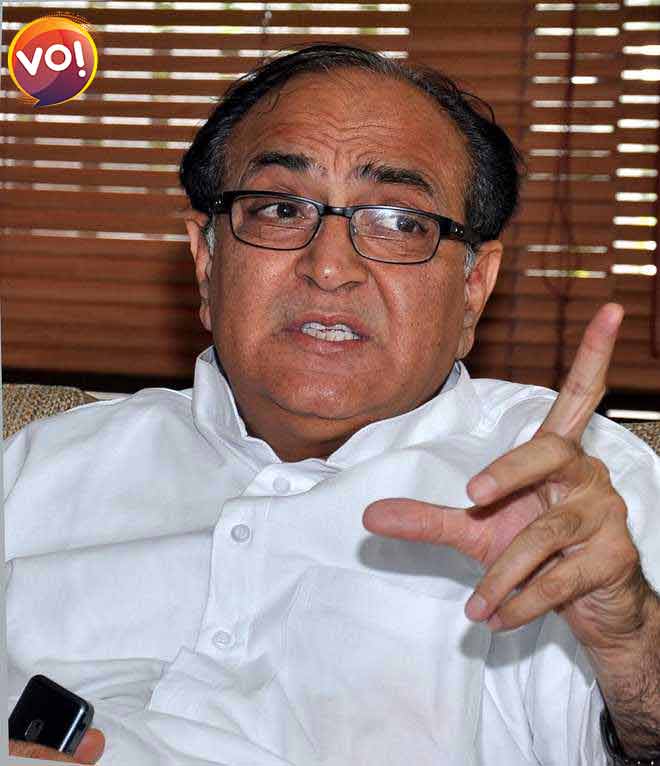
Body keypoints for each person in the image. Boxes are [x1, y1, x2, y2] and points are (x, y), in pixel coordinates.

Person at [5, 44, 660, 765]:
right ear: (207, 260)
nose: (329, 266)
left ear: (474, 288)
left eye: (399, 222)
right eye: (281, 209)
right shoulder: (36, 470)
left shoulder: (573, 486)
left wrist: (629, 637)